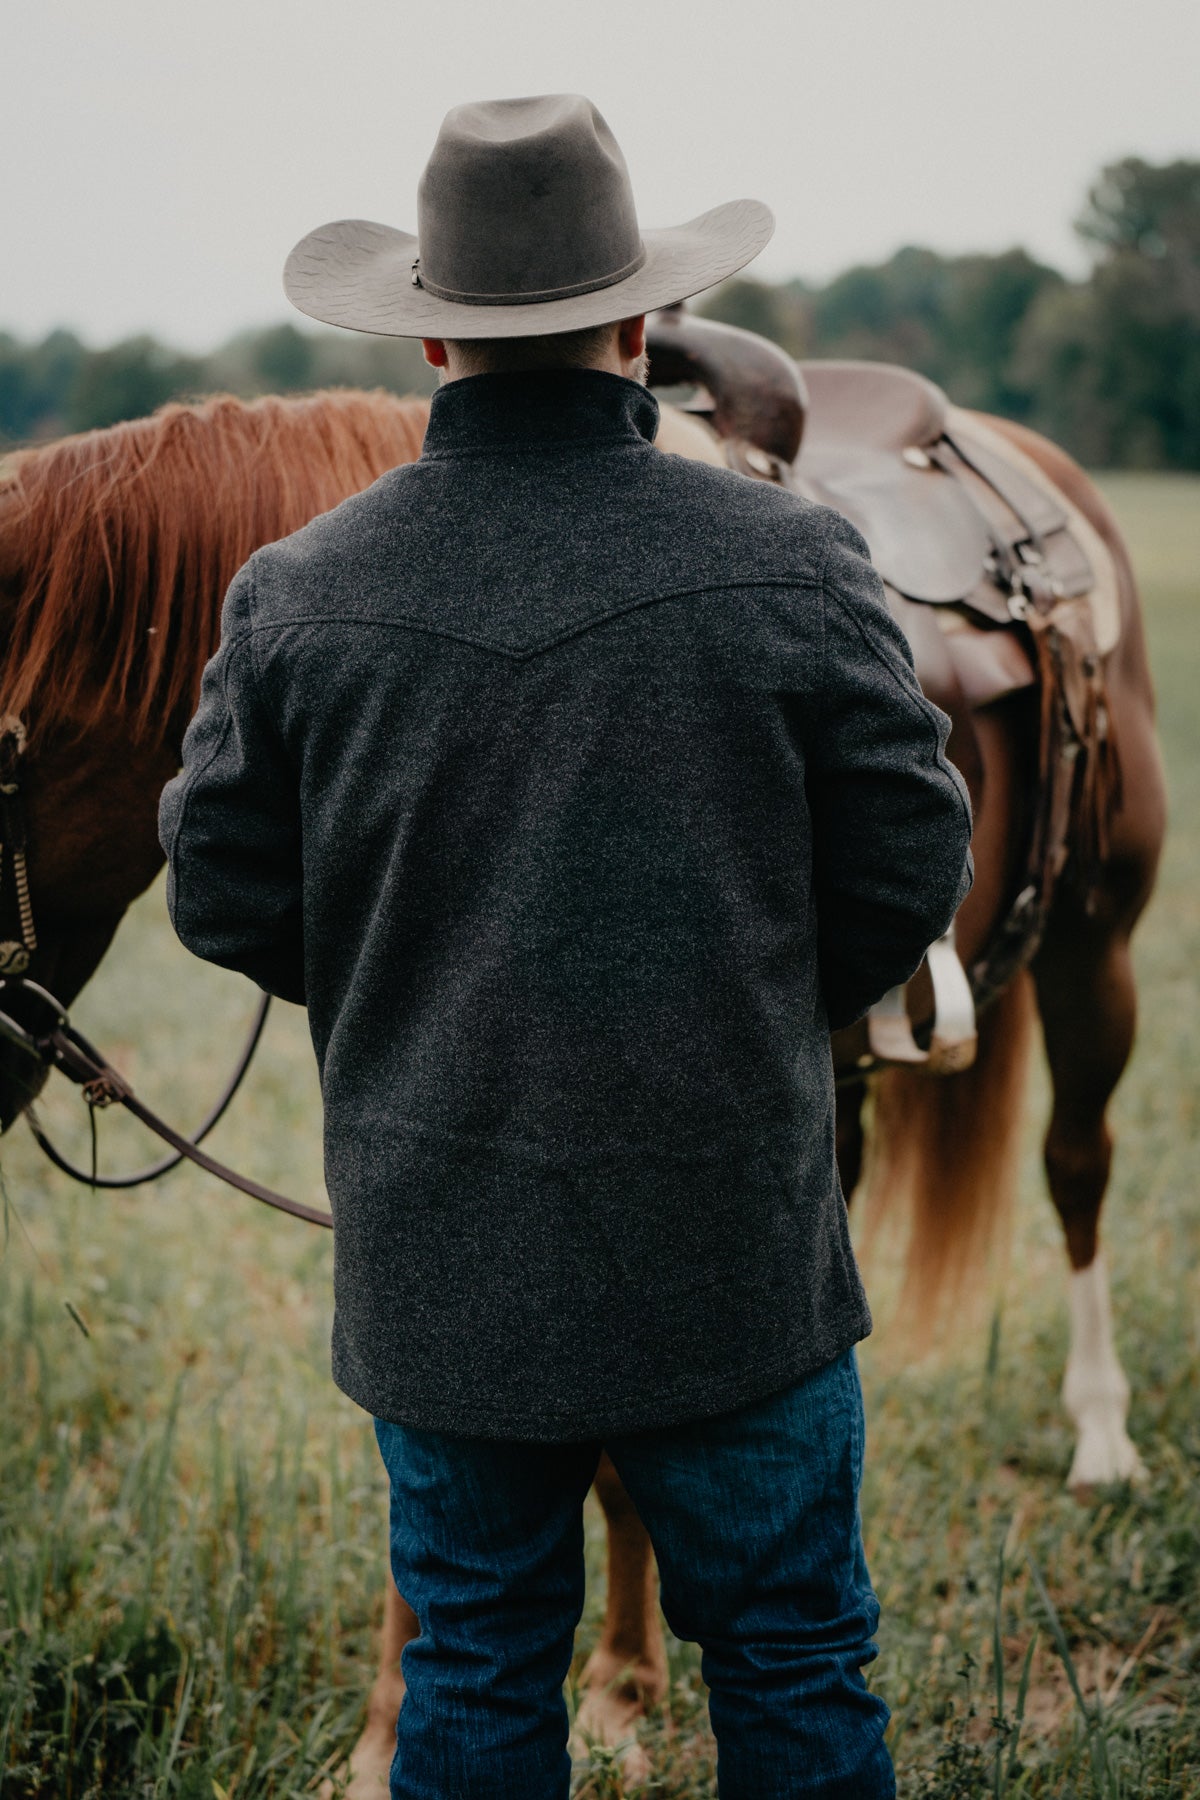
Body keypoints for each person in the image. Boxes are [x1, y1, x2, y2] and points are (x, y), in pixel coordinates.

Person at [160, 93, 972, 1800]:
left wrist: (417, 987)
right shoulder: (793, 556)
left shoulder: (294, 592)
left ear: (435, 330)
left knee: (471, 1662)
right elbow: (912, 857)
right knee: (796, 1656)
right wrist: (747, 1003)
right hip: (734, 1237)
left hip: (444, 1259)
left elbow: (223, 894)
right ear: (638, 320)